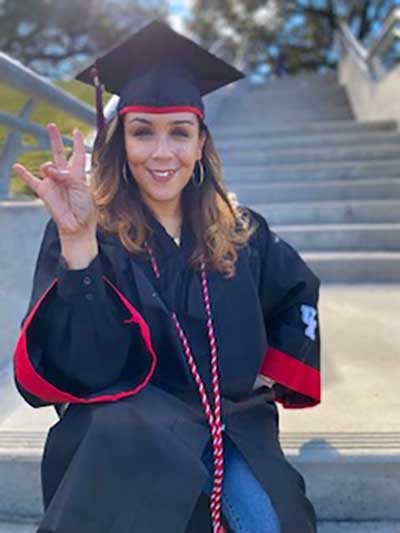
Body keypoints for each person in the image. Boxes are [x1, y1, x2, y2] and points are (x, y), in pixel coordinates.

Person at [12, 20, 321, 533]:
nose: (161, 153)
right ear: (119, 141)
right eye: (142, 133)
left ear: (201, 142)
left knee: (268, 524)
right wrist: (80, 246)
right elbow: (81, 372)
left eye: (179, 132)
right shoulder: (92, 229)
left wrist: (269, 370)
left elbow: (298, 293)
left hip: (228, 424)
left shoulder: (243, 231)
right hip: (130, 431)